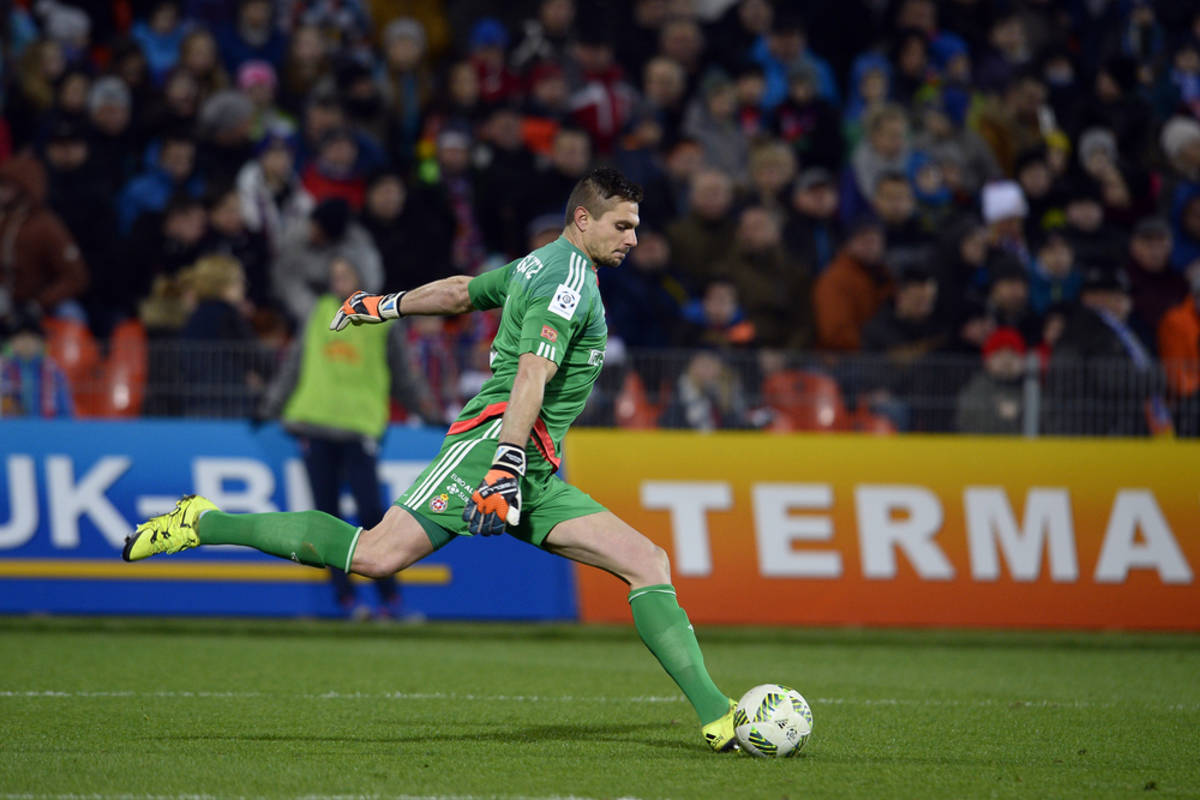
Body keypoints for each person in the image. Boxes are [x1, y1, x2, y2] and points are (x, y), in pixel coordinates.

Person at [121, 167, 740, 752]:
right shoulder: (566, 281)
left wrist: (384, 304)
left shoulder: (542, 263)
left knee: (646, 561)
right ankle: (203, 522)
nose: (634, 238)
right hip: (493, 449)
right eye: (622, 225)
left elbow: (462, 292)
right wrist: (503, 464)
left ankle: (718, 716)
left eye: (636, 227)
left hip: (532, 467)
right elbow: (531, 373)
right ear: (583, 219)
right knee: (375, 554)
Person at [261, 255, 442, 619]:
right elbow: (295, 363)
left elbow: (404, 377)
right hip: (315, 424)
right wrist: (270, 405)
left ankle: (390, 600)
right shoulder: (318, 312)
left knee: (372, 514)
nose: (338, 280)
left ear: (363, 276)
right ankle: (347, 601)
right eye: (335, 274)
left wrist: (429, 413)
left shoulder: (382, 318)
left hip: (359, 427)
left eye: (346, 274)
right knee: (325, 516)